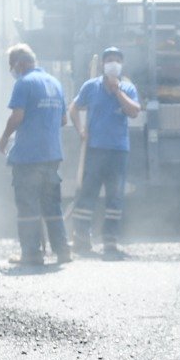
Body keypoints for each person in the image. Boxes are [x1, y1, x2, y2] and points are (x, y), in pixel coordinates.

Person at [0, 43, 71, 268]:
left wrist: (3, 139)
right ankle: (63, 250)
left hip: (29, 156)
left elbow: (17, 116)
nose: (12, 70)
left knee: (28, 207)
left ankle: (31, 254)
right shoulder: (55, 83)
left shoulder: (24, 83)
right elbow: (63, 120)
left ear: (20, 63)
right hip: (52, 154)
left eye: (11, 65)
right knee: (52, 206)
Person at [69, 47, 141, 260]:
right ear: (102, 64)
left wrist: (117, 91)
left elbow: (134, 111)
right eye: (109, 60)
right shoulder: (91, 87)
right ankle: (82, 238)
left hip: (118, 150)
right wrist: (81, 130)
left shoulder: (128, 88)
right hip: (94, 150)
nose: (113, 63)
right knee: (87, 195)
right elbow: (73, 108)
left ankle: (110, 240)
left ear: (122, 64)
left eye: (117, 60)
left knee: (115, 196)